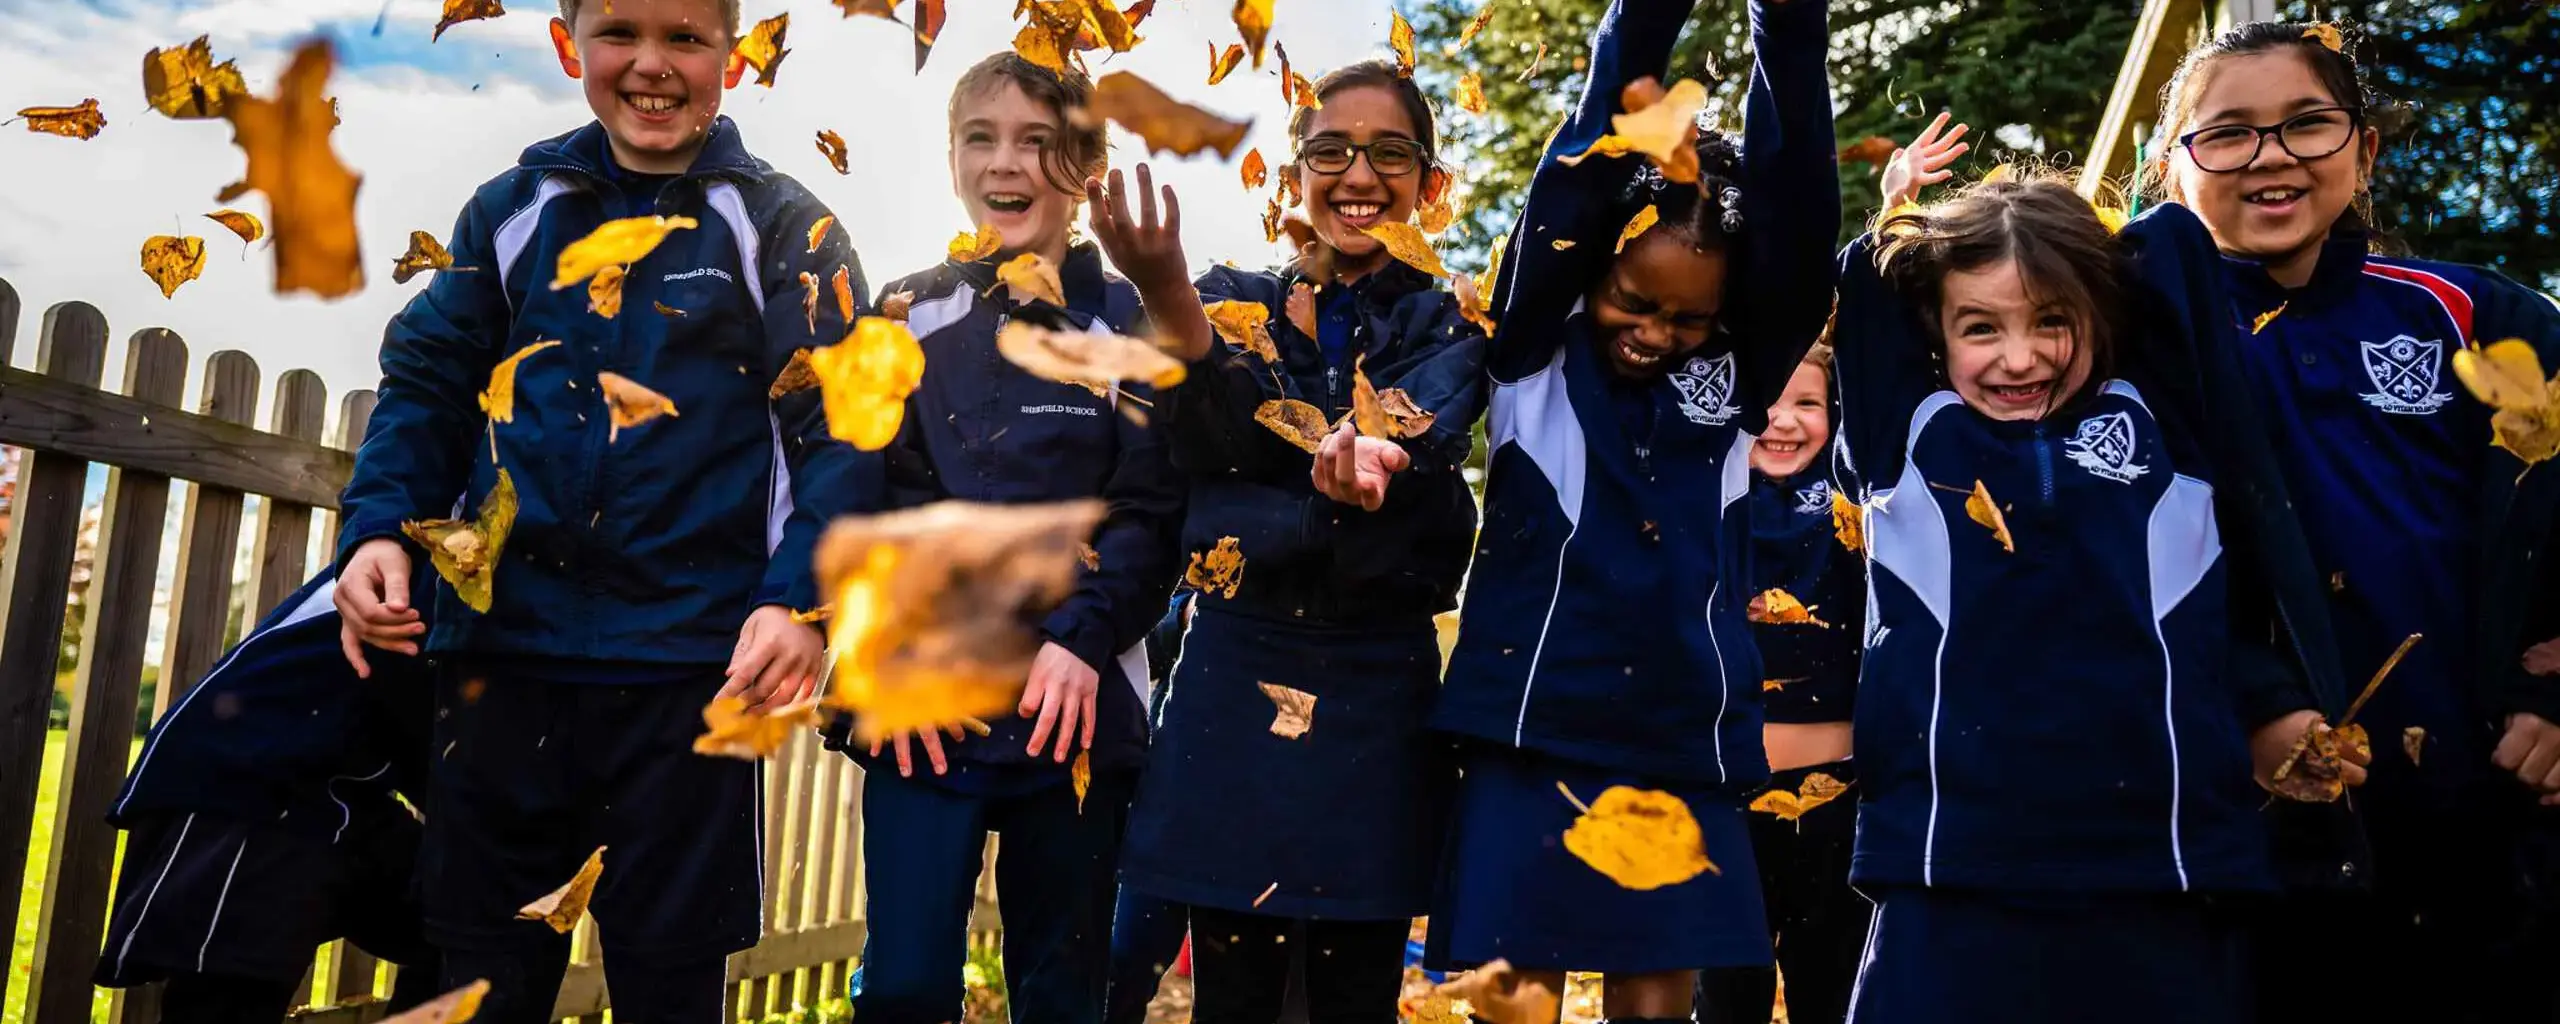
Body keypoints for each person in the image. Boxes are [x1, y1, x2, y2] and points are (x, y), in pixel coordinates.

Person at [329, 0, 874, 1016]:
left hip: (689, 673)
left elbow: (844, 428)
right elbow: (428, 383)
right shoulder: (510, 208)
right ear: (567, 42)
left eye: (687, 39)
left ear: (736, 57)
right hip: (502, 660)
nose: (651, 66)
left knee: (669, 981)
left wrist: (802, 601)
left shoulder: (787, 227)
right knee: (483, 977)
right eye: (621, 32)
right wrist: (377, 526)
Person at [1399, 0, 1839, 1018]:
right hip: (1532, 723)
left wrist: (1790, 26)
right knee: (1518, 990)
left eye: (1688, 317)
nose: (1656, 332)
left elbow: (1802, 212)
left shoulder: (1737, 374)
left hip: (1677, 726)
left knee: (1656, 993)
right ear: (1592, 267)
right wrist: (1643, 21)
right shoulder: (1531, 348)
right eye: (1633, 301)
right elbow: (1582, 158)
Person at [1830, 152, 2334, 1021]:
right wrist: (1909, 216)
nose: (2018, 358)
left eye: (2052, 321)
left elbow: (2170, 241)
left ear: (2104, 318)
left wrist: (2063, 240)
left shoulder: (2162, 425)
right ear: (1935, 337)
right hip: (1951, 866)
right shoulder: (1910, 438)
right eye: (1979, 328)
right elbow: (1869, 285)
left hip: (2162, 868)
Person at [2142, 21, 2560, 1023]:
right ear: (2173, 166)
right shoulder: (2131, 343)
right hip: (2244, 823)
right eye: (2229, 133)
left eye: (2306, 125)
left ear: (2363, 149)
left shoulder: (2476, 316)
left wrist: (2549, 690)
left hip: (2480, 808)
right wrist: (2254, 701)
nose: (2271, 156)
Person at [1083, 60, 1487, 1024]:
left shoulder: (1454, 318)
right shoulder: (1228, 299)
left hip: (1376, 683)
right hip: (1237, 665)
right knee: (1237, 985)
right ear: (1290, 176)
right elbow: (1208, 442)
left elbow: (1421, 429)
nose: (1358, 173)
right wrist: (1169, 294)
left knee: (1354, 986)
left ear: (1429, 183)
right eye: (1331, 150)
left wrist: (1364, 464)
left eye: (1390, 152)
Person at [842, 51, 1183, 1024]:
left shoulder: (1130, 321)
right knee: (904, 984)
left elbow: (1148, 509)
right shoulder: (905, 313)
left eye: (1041, 143)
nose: (1009, 167)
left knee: (1061, 989)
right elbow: (872, 501)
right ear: (952, 160)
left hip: (1074, 705)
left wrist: (1080, 640)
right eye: (982, 140)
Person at [95, 569, 441, 1022]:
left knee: (480, 912)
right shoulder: (433, 556)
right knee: (229, 1001)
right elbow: (428, 718)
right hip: (249, 783)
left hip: (341, 793)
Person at [1692, 341, 1868, 1024]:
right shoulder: (1710, 501)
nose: (1783, 421)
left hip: (1838, 799)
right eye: (1766, 401)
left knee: (1831, 985)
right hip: (1726, 795)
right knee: (1728, 994)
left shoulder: (1857, 510)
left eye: (1807, 404)